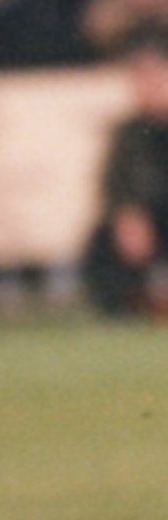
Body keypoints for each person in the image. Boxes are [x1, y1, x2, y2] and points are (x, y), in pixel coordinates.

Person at [79, 35, 168, 318]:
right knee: (103, 241)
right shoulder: (127, 132)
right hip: (145, 218)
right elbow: (114, 184)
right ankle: (130, 307)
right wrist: (127, 214)